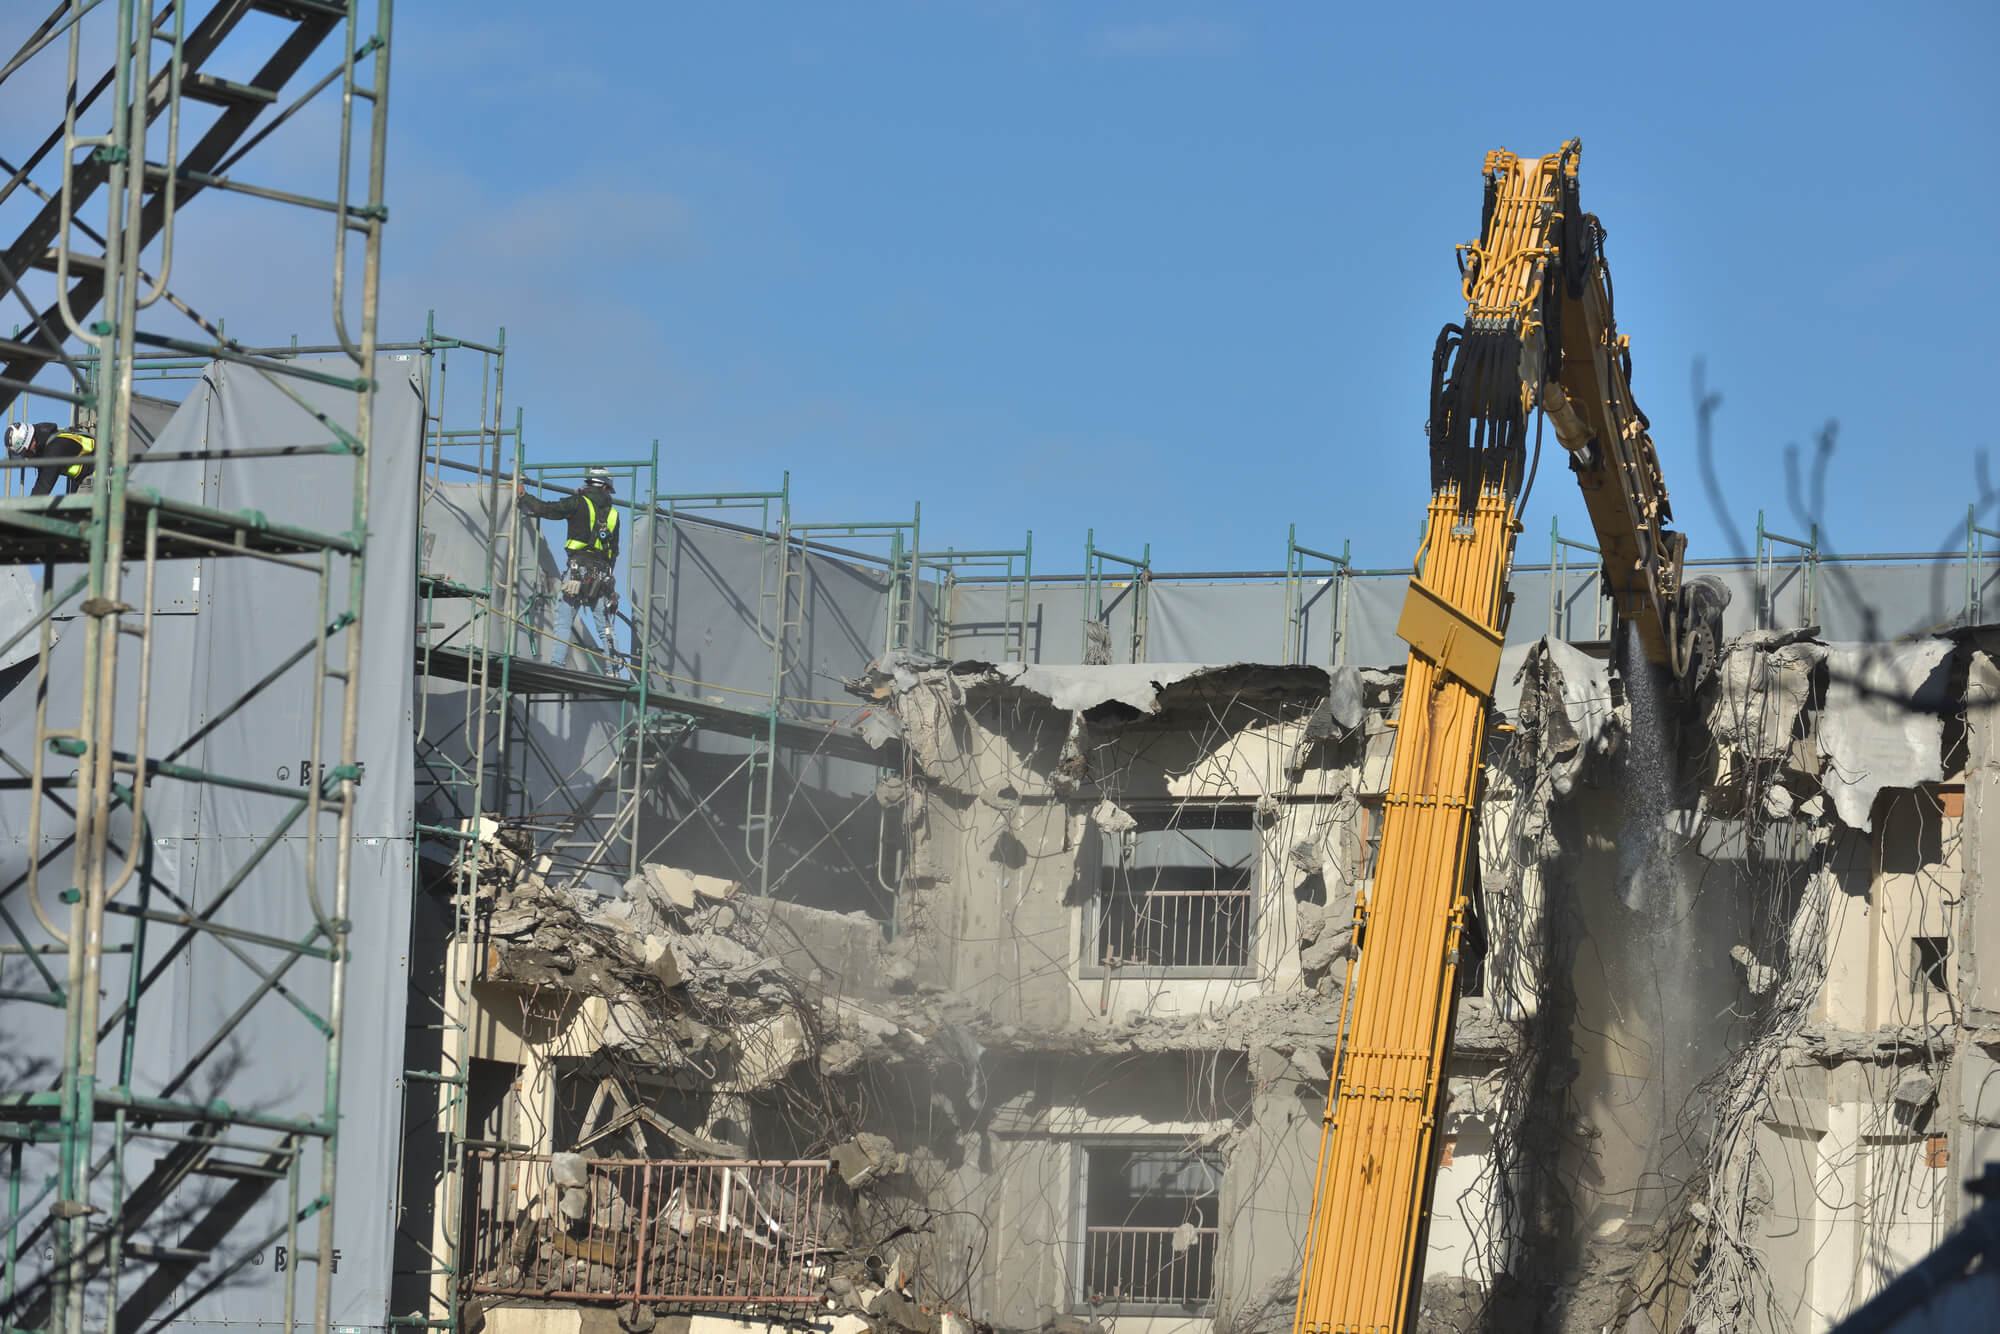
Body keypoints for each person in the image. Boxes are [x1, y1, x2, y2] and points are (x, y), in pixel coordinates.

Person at [518, 467, 623, 672]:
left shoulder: (577, 502)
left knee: (564, 622)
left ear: (590, 484)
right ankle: (614, 672)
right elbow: (614, 551)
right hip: (601, 576)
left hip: (577, 573)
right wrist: (609, 582)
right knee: (606, 629)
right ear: (604, 487)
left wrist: (524, 496)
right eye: (609, 490)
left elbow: (545, 509)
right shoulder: (613, 514)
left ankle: (557, 665)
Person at [5, 420, 97, 496]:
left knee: (79, 514)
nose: (26, 457)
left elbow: (43, 487)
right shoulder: (43, 440)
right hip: (82, 477)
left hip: (97, 471)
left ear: (32, 442)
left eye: (26, 453)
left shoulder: (55, 449)